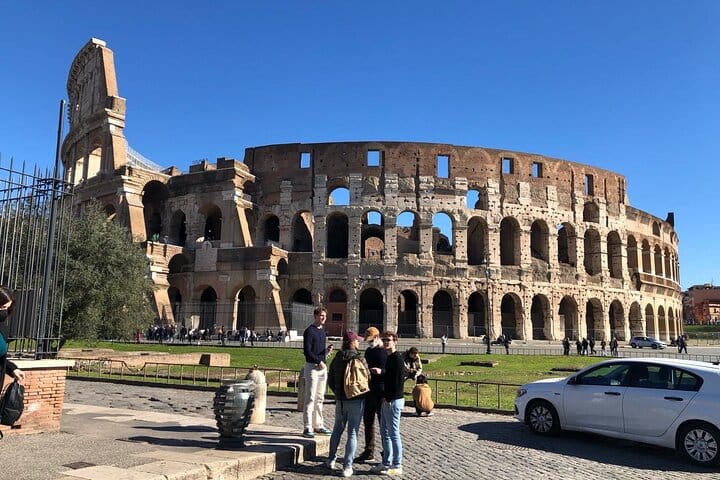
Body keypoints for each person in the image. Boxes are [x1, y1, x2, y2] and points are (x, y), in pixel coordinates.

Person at [326, 331, 370, 478]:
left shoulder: (337, 358)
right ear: (352, 342)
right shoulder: (360, 358)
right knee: (352, 433)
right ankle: (347, 466)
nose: (358, 342)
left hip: (340, 400)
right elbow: (368, 377)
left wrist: (338, 393)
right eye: (357, 340)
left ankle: (330, 459)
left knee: (337, 430)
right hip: (356, 399)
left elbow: (330, 379)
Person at [371, 331, 405, 476]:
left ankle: (397, 464)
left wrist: (389, 398)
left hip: (393, 400)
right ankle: (386, 462)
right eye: (384, 340)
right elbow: (389, 376)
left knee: (394, 433)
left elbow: (398, 381)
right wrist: (381, 372)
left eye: (388, 340)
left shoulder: (397, 358)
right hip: (387, 399)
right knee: (384, 432)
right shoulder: (389, 357)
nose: (386, 342)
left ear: (395, 341)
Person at [356, 326, 386, 463]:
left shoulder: (384, 352)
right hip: (369, 390)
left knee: (383, 423)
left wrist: (381, 371)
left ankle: (386, 452)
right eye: (368, 341)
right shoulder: (368, 351)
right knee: (368, 422)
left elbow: (390, 371)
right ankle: (369, 451)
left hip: (381, 390)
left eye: (371, 340)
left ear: (377, 337)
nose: (369, 343)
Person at [302, 307, 333, 438]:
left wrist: (326, 351)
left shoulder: (322, 332)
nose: (323, 318)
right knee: (310, 397)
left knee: (320, 398)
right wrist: (318, 361)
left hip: (322, 367)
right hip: (312, 368)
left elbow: (318, 351)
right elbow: (307, 352)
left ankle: (318, 425)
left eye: (325, 316)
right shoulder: (309, 331)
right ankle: (307, 426)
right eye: (321, 315)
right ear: (315, 316)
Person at [0, 287, 26, 398]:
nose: (3, 312)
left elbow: (1, 359)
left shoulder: (2, 328)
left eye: (6, 308)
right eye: (1, 307)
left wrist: (12, 369)